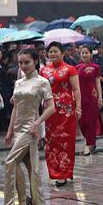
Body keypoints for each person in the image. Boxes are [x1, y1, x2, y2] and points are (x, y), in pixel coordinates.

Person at [4, 48, 55, 205]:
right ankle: (36, 203)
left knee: (10, 161)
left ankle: (22, 201)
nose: (23, 66)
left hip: (31, 129)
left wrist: (37, 123)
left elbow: (51, 108)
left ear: (35, 61)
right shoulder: (18, 83)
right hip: (18, 128)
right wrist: (10, 130)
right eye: (20, 63)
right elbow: (16, 108)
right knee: (30, 167)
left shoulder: (42, 82)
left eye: (27, 62)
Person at [40, 42, 81, 187]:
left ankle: (64, 173)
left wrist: (78, 108)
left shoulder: (70, 69)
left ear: (62, 53)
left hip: (66, 110)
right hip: (50, 110)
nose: (52, 54)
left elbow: (76, 89)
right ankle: (55, 172)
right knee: (51, 141)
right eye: (50, 52)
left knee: (65, 140)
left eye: (55, 51)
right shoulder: (44, 70)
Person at [76, 45, 103, 155]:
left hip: (92, 97)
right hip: (80, 98)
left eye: (86, 52)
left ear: (91, 54)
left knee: (90, 121)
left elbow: (97, 83)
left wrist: (100, 97)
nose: (84, 55)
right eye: (82, 53)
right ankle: (90, 141)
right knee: (82, 121)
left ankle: (88, 144)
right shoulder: (76, 68)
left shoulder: (95, 67)